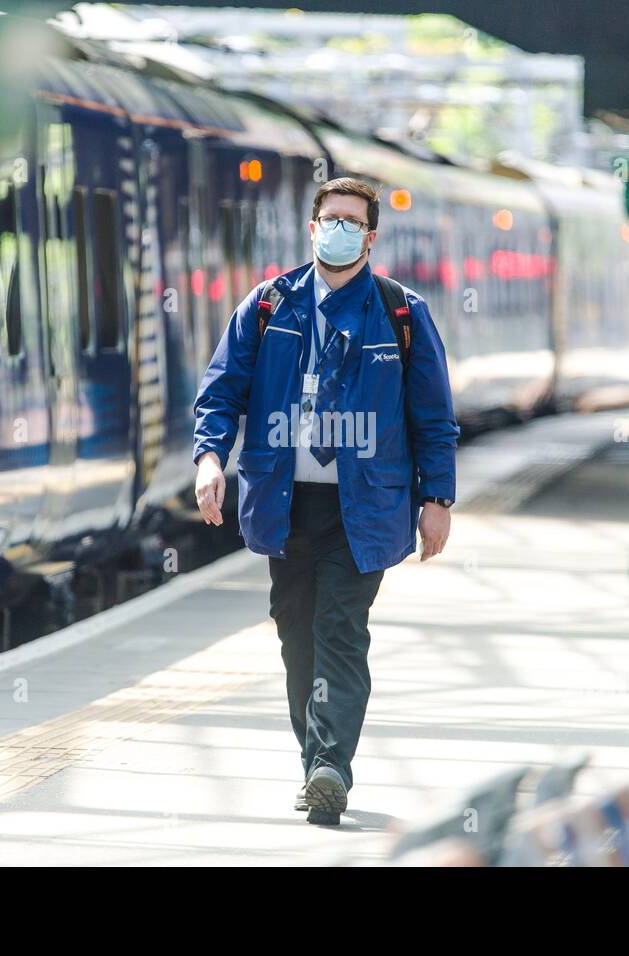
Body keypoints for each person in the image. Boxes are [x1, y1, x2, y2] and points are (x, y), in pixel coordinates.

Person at [192, 177, 459, 826]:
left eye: (352, 221)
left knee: (340, 629)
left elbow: (433, 416)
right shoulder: (267, 306)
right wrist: (209, 459)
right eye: (329, 218)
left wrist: (438, 498)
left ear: (370, 236)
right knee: (295, 633)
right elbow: (222, 392)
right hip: (284, 505)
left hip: (363, 507)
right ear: (312, 228)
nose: (339, 229)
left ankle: (331, 767)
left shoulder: (400, 312)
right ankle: (315, 761)